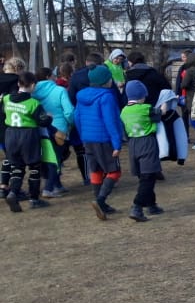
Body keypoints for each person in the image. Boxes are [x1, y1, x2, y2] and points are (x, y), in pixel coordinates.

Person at [74, 64, 125, 219]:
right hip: (103, 139)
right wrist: (117, 143)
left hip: (88, 139)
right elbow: (111, 121)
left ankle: (100, 204)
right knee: (114, 171)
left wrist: (83, 135)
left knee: (96, 170)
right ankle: (100, 200)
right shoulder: (107, 97)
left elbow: (77, 117)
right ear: (105, 81)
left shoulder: (81, 96)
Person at [1, 71, 54, 211]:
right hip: (28, 135)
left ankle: (13, 193)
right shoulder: (33, 103)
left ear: (18, 83)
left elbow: (3, 113)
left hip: (11, 134)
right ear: (33, 85)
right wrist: (49, 117)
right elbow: (43, 122)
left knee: (17, 167)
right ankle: (34, 199)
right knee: (34, 167)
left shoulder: (6, 99)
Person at [120, 80, 165, 221]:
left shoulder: (124, 111)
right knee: (148, 177)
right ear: (141, 96)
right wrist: (166, 103)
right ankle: (137, 206)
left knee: (143, 175)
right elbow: (160, 114)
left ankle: (151, 205)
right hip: (147, 142)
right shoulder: (146, 108)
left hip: (133, 144)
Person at [32, 68, 74, 198]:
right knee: (57, 159)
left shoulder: (32, 93)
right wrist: (71, 124)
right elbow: (69, 111)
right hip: (59, 129)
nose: (55, 77)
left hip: (40, 130)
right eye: (53, 75)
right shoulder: (60, 90)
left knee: (47, 158)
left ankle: (57, 184)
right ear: (48, 76)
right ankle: (50, 187)